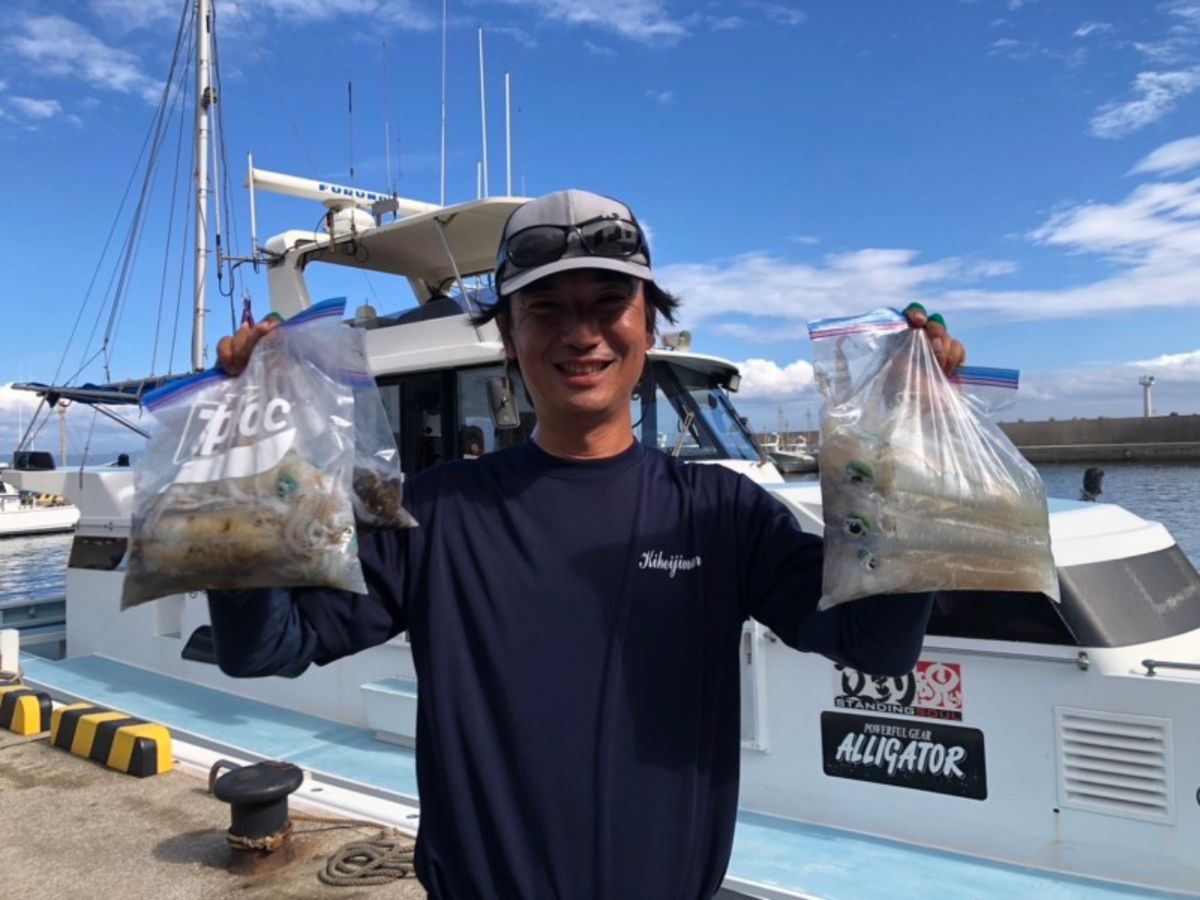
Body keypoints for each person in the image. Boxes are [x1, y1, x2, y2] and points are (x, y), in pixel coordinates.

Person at [209, 189, 966, 899]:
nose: (581, 333)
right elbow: (267, 646)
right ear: (508, 334)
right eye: (546, 309)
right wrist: (239, 478)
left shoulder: (722, 513)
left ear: (649, 324)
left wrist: (913, 461)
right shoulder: (436, 512)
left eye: (610, 304)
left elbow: (878, 644)